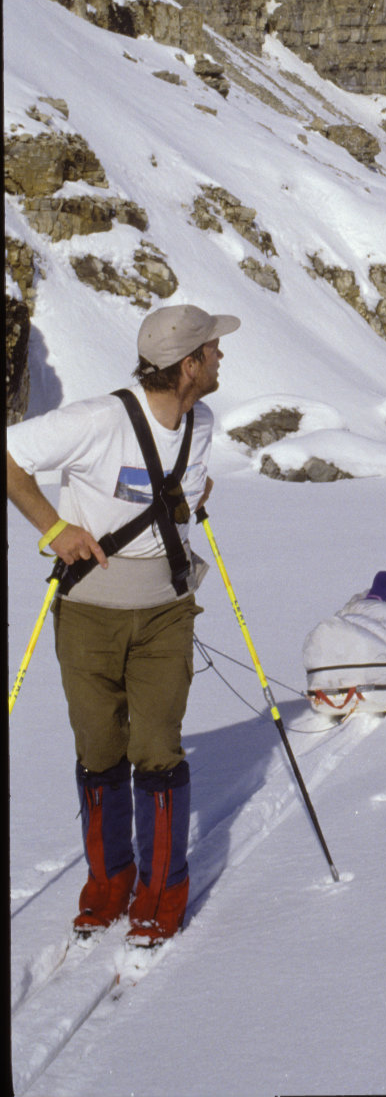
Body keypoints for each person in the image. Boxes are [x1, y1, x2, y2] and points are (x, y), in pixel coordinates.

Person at [6, 303, 240, 947]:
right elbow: (9, 457)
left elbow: (177, 497)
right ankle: (109, 883)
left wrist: (192, 494)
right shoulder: (98, 420)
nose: (222, 357)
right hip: (88, 615)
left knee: (158, 752)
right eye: (213, 350)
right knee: (99, 753)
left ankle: (163, 894)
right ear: (188, 363)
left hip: (166, 612)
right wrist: (55, 529)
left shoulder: (203, 420)